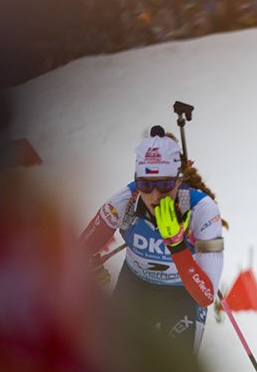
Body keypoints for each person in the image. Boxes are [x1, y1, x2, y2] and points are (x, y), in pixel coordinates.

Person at [80, 128, 225, 351]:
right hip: (135, 286)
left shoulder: (202, 210)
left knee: (178, 370)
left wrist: (177, 245)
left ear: (178, 180)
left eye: (165, 185)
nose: (155, 196)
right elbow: (75, 254)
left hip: (182, 293)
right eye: (146, 185)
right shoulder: (124, 203)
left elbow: (205, 296)